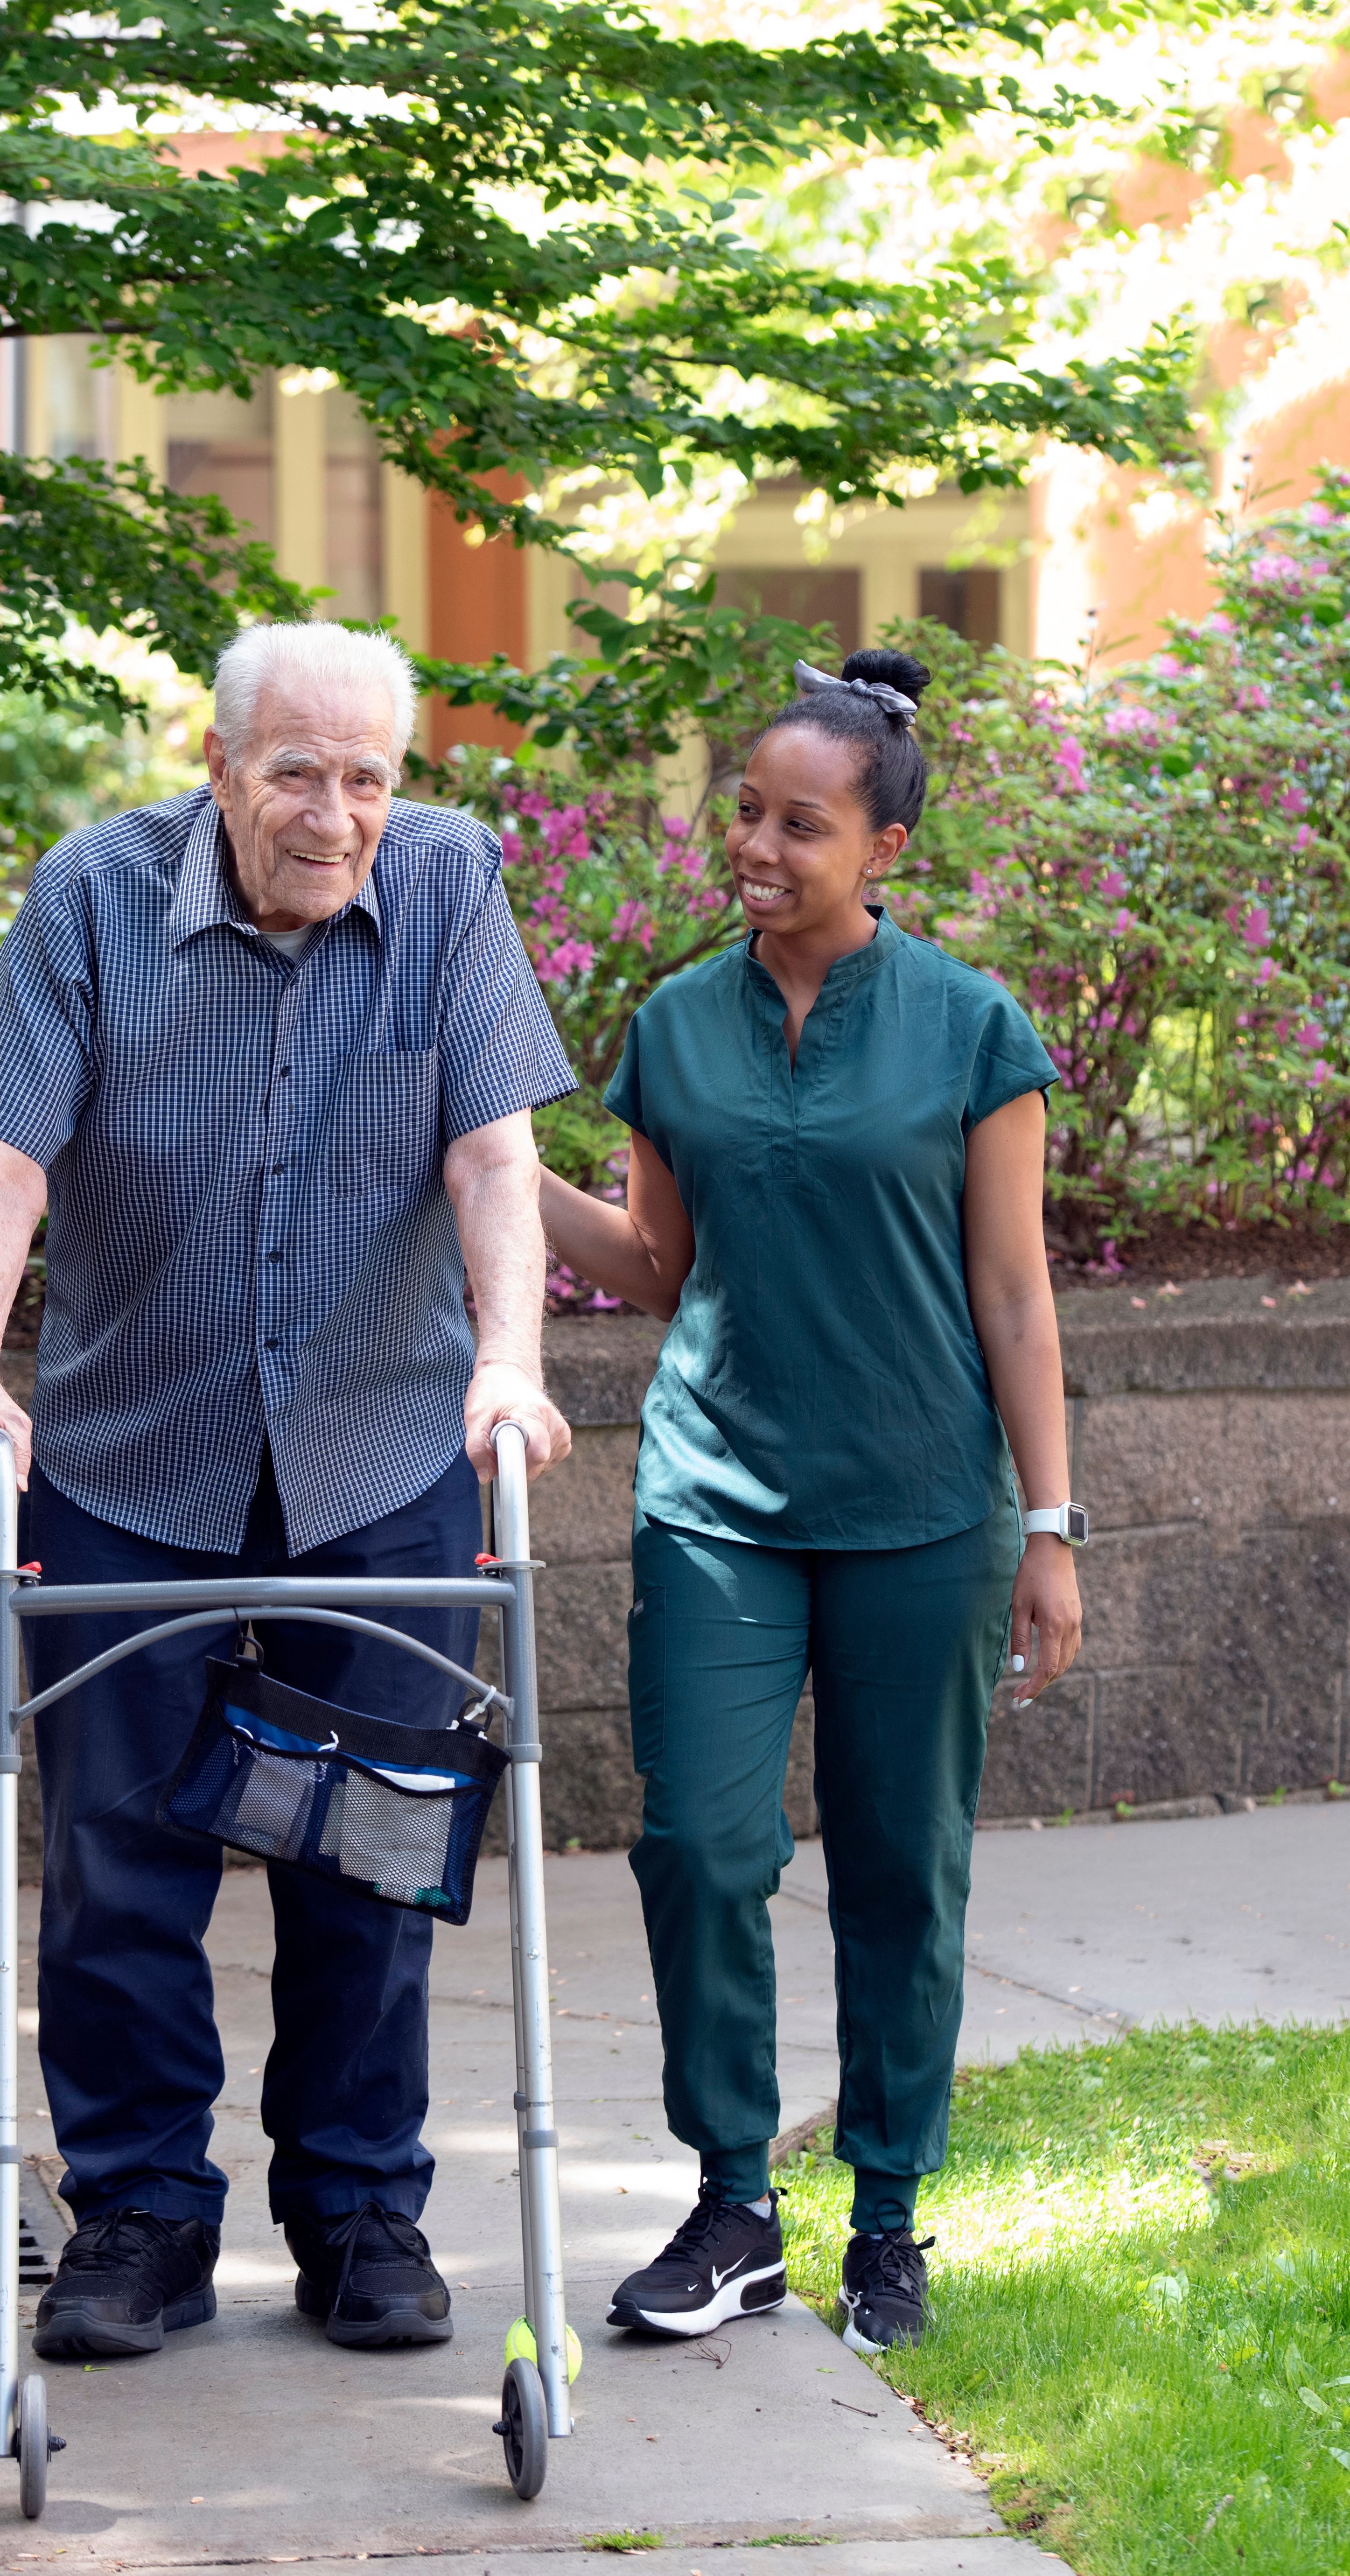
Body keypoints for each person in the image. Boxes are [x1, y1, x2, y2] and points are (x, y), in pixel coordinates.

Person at [0, 621, 574, 2364]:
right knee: (123, 1859)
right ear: (216, 770)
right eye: (297, 772)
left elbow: (496, 1150)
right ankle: (140, 2215)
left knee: (377, 1850)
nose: (336, 815)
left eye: (369, 776)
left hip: (382, 1453)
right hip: (137, 1456)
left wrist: (510, 1360)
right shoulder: (94, 894)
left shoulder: (448, 883)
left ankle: (360, 2212)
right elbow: (4, 1153)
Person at [537, 649, 1084, 2354]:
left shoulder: (971, 1026)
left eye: (803, 823)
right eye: (748, 813)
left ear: (883, 849)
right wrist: (495, 1164)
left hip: (927, 1505)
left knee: (901, 1870)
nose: (758, 847)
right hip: (719, 1499)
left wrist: (1050, 1529)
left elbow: (1014, 1293)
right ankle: (732, 2207)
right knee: (701, 1842)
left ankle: (891, 2218)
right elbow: (652, 1264)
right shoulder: (678, 1028)